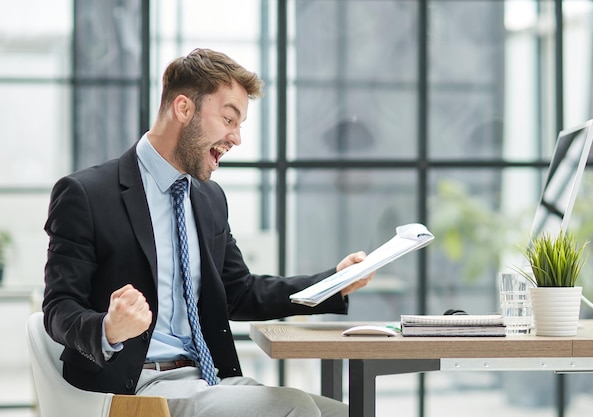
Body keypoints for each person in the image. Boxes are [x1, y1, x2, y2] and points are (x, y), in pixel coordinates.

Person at [42, 48, 374, 417]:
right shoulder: (87, 194)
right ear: (183, 109)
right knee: (293, 408)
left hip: (211, 380)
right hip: (138, 388)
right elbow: (58, 309)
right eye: (229, 119)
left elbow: (240, 292)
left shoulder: (208, 198)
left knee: (351, 413)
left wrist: (334, 283)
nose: (237, 138)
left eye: (240, 125)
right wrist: (109, 327)